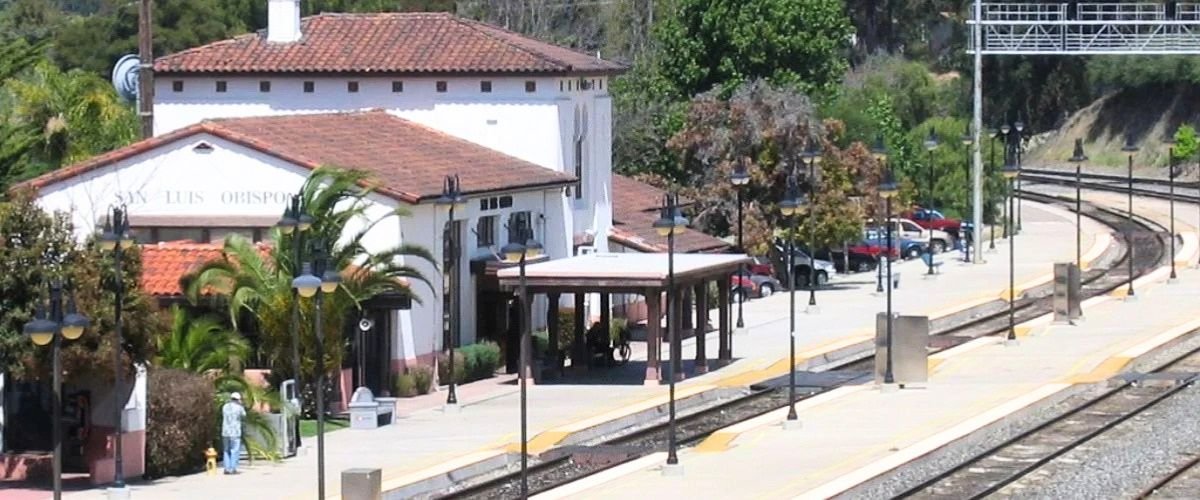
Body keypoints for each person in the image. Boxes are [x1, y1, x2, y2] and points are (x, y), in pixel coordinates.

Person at [221, 392, 247, 474]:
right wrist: (241, 405)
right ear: (238, 399)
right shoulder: (239, 407)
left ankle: (226, 468)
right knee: (234, 450)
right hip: (235, 432)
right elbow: (244, 415)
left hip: (225, 432)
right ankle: (232, 468)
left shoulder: (225, 406)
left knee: (226, 450)